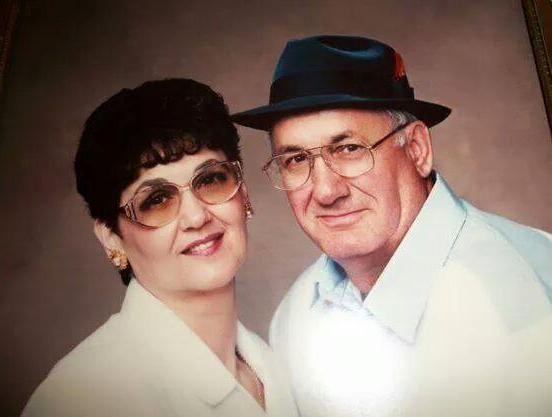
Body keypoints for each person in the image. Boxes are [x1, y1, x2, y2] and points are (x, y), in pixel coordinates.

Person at [232, 35, 552, 417]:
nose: (326, 190)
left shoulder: (524, 307)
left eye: (349, 149)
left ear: (417, 149)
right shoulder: (295, 316)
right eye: (296, 159)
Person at [22, 79, 298, 417]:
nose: (196, 217)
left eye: (210, 179)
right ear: (111, 237)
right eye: (156, 200)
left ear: (243, 192)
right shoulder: (82, 396)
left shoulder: (272, 363)